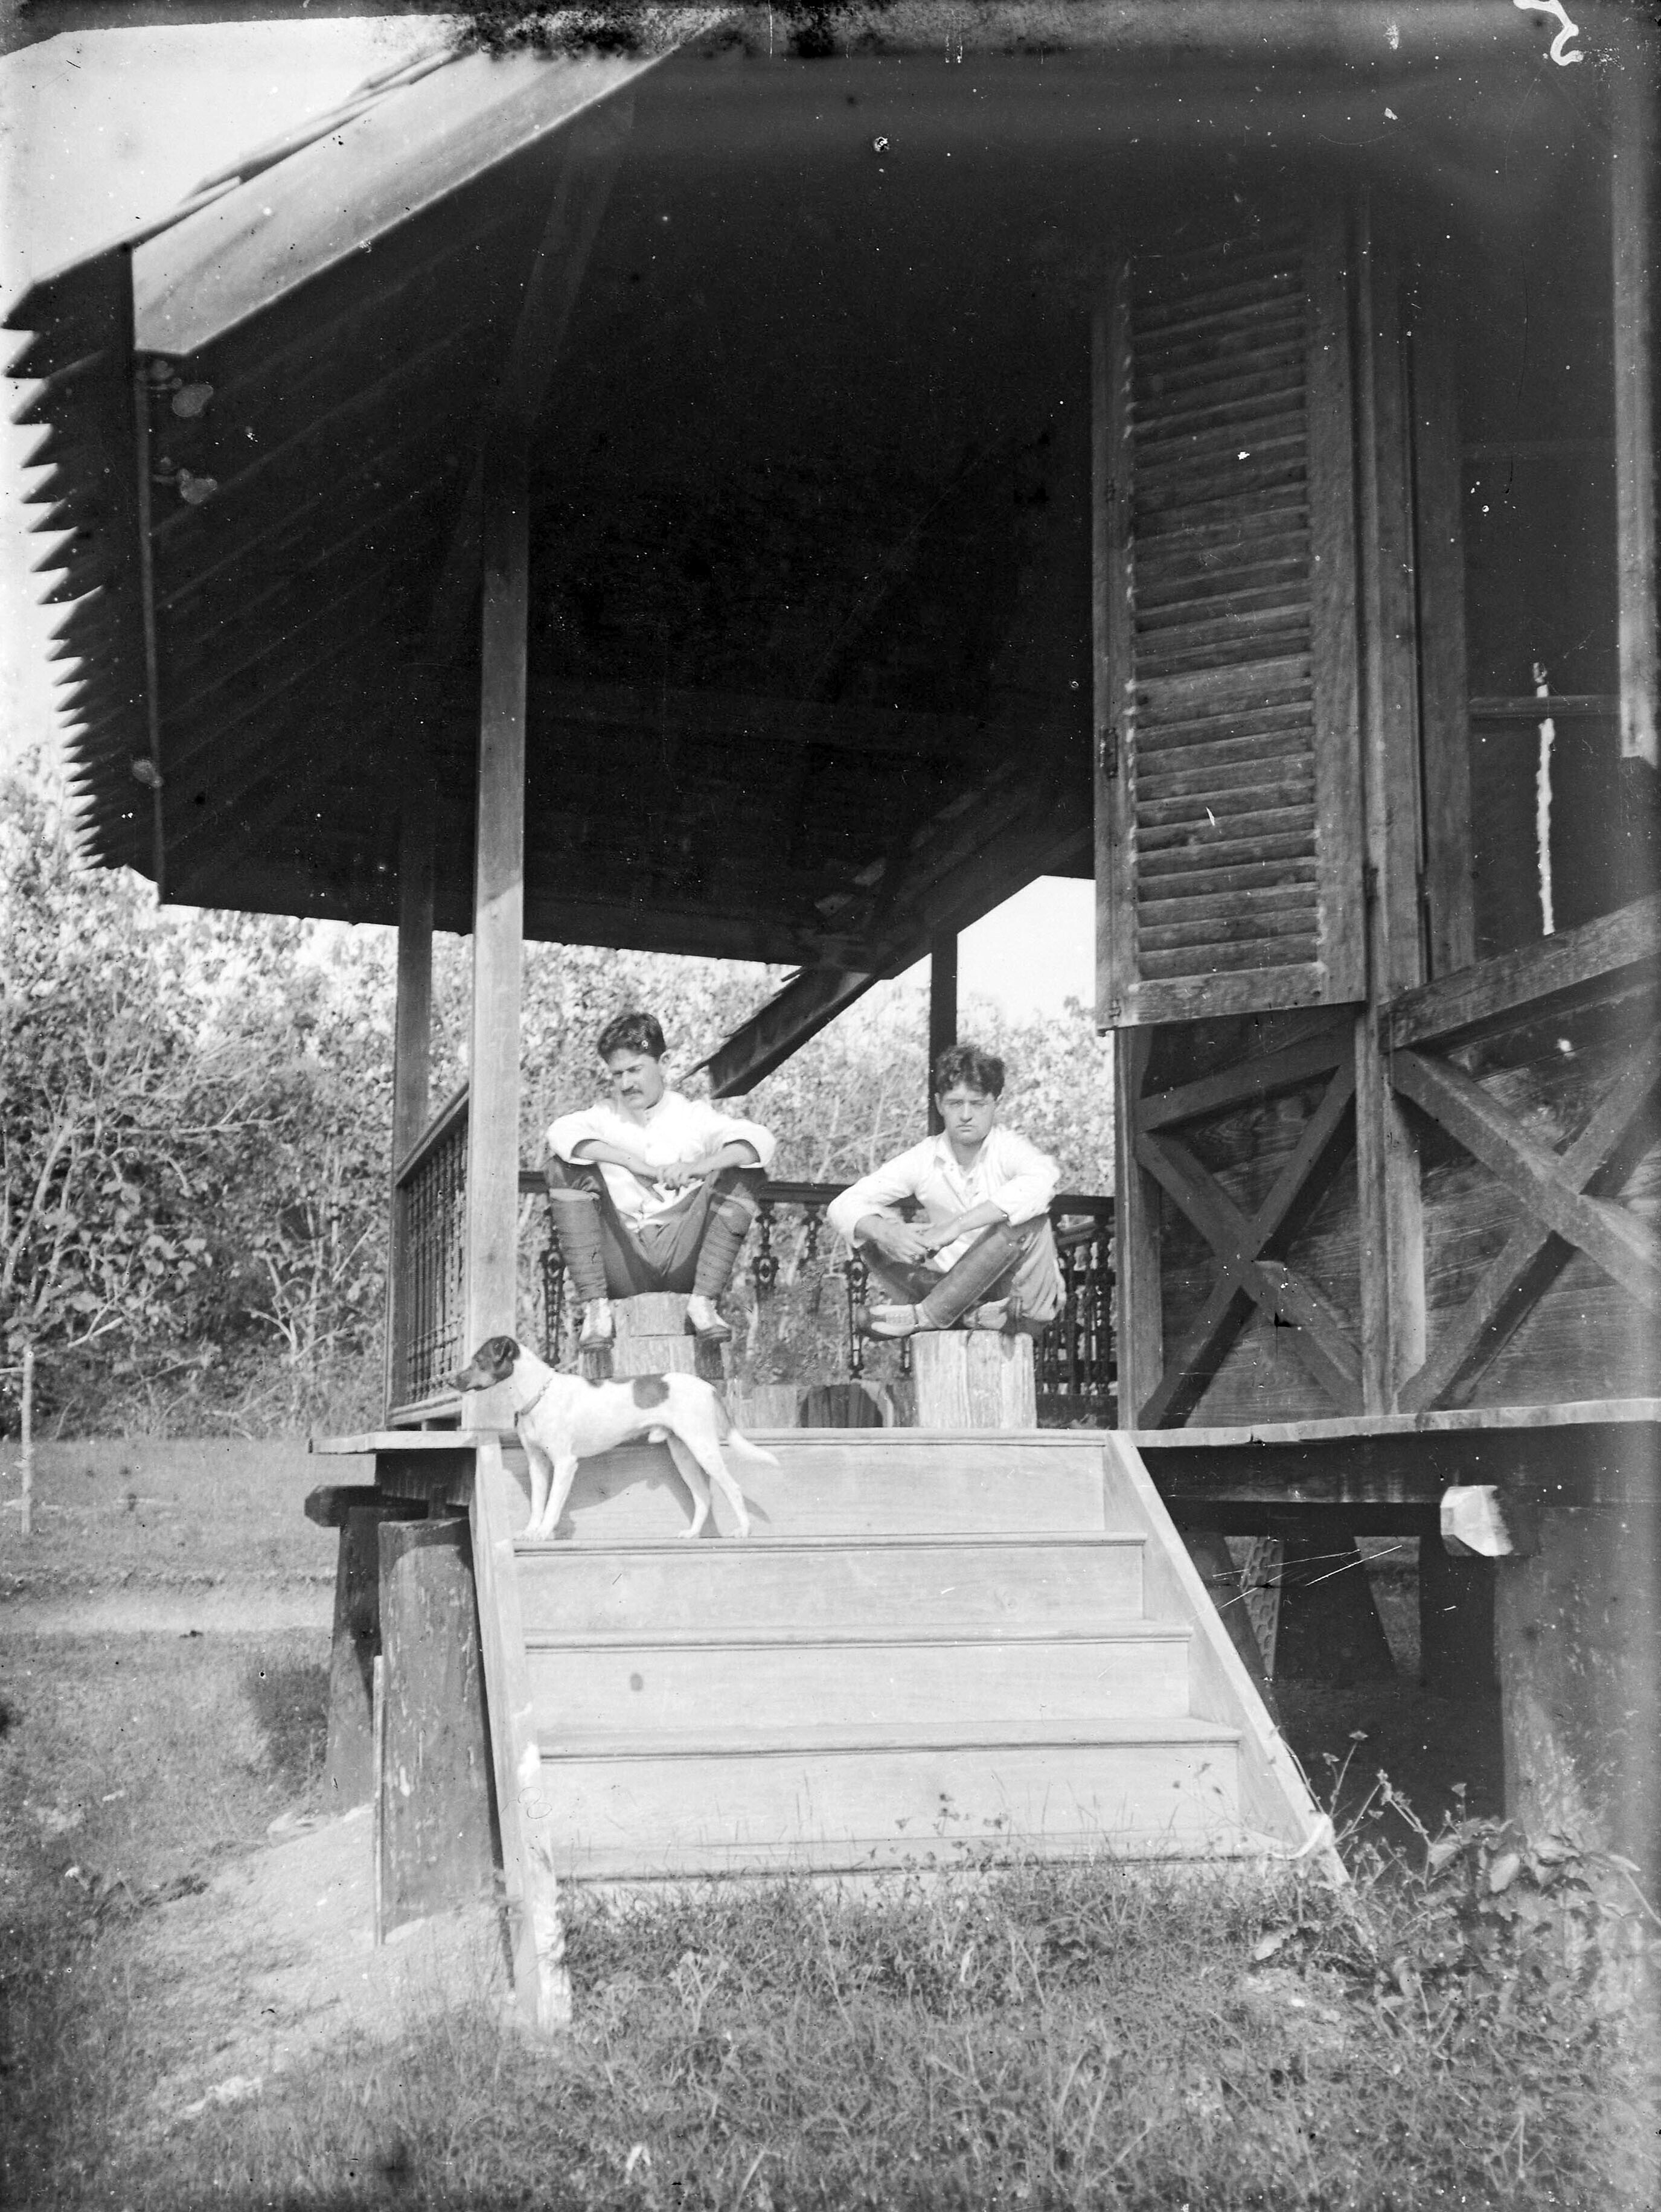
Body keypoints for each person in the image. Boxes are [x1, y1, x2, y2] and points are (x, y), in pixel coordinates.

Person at [546, 1011, 776, 1352]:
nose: (626, 1084)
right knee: (561, 1167)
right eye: (618, 1074)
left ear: (663, 1063)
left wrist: (699, 1167)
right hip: (624, 1262)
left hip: (684, 1258)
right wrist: (635, 1165)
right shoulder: (603, 1115)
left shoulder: (693, 1115)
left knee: (747, 1170)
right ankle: (595, 1309)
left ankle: (704, 1303)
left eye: (635, 1070)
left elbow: (760, 1141)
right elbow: (560, 1133)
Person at [826, 1043, 1064, 1338]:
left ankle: (925, 1316)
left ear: (996, 1103)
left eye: (978, 1104)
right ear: (940, 1104)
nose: (966, 1115)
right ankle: (971, 1315)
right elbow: (842, 1204)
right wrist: (888, 1232)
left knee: (1029, 1219)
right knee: (867, 1231)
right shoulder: (925, 1156)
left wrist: (958, 1226)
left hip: (1016, 1303)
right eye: (955, 1103)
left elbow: (1044, 1181)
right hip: (949, 1291)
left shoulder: (1009, 1148)